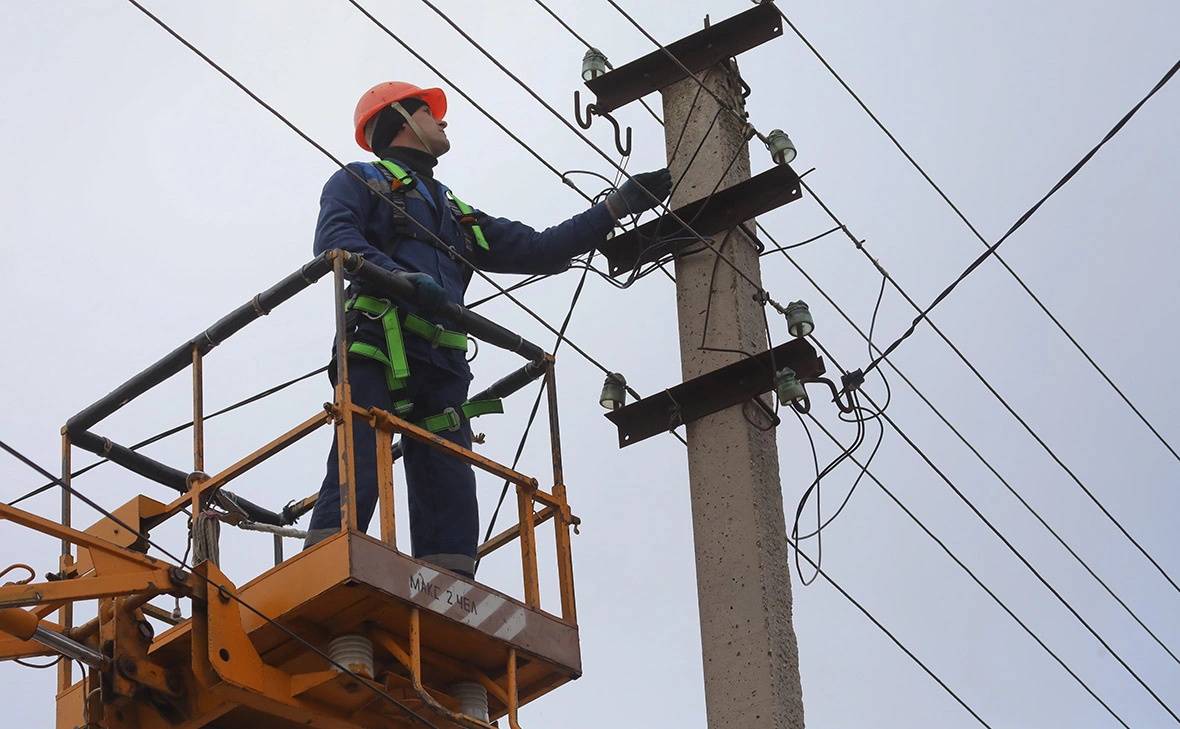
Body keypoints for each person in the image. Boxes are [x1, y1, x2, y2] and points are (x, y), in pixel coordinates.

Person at [302, 81, 671, 578]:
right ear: (401, 121)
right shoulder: (361, 180)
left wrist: (615, 207)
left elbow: (541, 249)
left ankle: (451, 594)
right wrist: (400, 278)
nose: (443, 121)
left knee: (450, 487)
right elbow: (335, 238)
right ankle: (325, 570)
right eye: (429, 113)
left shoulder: (457, 214)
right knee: (361, 466)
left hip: (442, 365)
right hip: (379, 345)